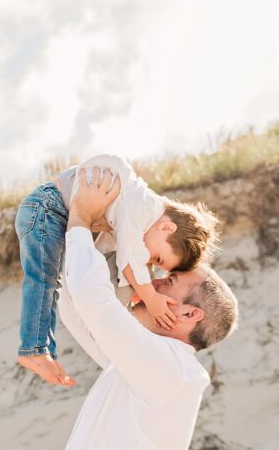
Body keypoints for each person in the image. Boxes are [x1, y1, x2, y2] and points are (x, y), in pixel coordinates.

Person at [38, 166, 239, 450]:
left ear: (188, 313)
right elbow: (78, 308)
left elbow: (97, 304)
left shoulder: (171, 372)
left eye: (169, 280)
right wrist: (89, 230)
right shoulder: (139, 365)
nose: (151, 280)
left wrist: (78, 218)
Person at [14, 154, 219, 387]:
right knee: (42, 282)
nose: (150, 261)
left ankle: (37, 347)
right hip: (47, 209)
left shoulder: (133, 212)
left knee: (46, 283)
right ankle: (34, 348)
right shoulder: (141, 209)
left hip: (50, 211)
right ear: (166, 227)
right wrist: (150, 297)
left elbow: (95, 259)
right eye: (158, 258)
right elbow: (128, 259)